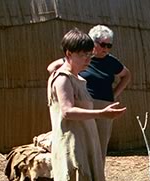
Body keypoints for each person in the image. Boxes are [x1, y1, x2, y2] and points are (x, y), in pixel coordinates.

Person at [48, 28, 126, 181]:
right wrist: (101, 113)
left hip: (86, 142)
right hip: (74, 146)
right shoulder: (62, 80)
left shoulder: (78, 78)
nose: (88, 60)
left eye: (89, 55)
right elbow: (67, 112)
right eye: (83, 55)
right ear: (69, 54)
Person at [47, 25, 132, 172]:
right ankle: (85, 177)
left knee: (100, 143)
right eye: (102, 44)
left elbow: (127, 75)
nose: (106, 48)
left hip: (104, 104)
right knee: (83, 142)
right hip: (82, 105)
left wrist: (114, 94)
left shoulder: (111, 62)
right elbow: (52, 68)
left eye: (109, 45)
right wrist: (67, 88)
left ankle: (98, 178)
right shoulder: (76, 61)